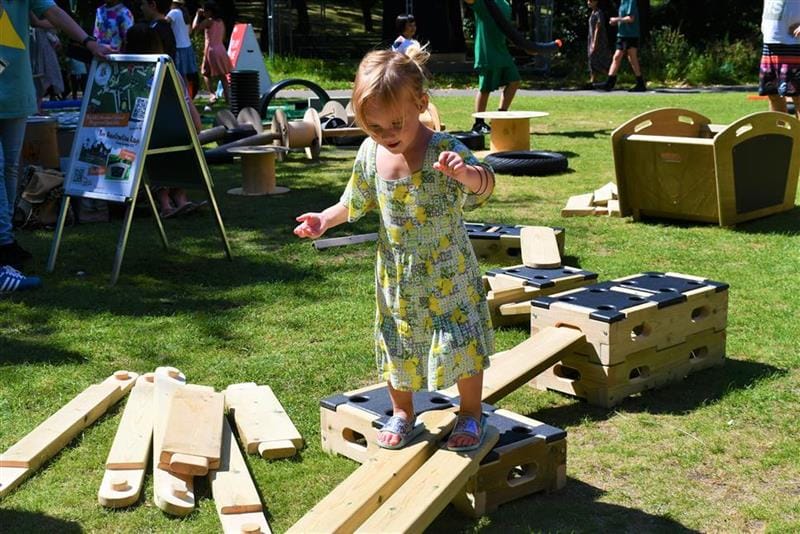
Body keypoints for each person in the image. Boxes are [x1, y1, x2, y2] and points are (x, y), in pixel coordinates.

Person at [293, 47, 496, 451]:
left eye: (395, 124)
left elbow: (486, 186)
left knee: (461, 343)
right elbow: (353, 200)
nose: (387, 135)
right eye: (374, 127)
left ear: (420, 104)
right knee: (397, 343)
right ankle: (403, 411)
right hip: (398, 278)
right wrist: (324, 220)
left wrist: (467, 174)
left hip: (448, 272)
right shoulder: (371, 154)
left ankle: (470, 412)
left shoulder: (444, 149)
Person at [0, 0, 109, 286]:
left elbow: (53, 12)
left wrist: (88, 42)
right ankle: (3, 244)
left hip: (16, 94)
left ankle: (7, 237)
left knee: (11, 168)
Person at [123, 22, 205, 219]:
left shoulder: (125, 77)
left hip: (143, 140)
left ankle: (166, 202)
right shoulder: (171, 72)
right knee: (178, 146)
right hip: (177, 136)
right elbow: (192, 115)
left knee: (153, 148)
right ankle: (180, 198)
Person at [464, 0, 521, 135]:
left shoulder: (506, 3)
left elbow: (507, 29)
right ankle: (478, 123)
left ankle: (500, 116)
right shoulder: (483, 2)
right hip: (487, 51)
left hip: (502, 50)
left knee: (514, 81)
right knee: (485, 88)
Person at [759, 0, 800, 118]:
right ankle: (780, 135)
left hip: (794, 45)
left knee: (797, 96)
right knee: (773, 94)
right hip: (770, 44)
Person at [598, 0, 646, 92]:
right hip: (622, 34)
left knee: (629, 58)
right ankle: (610, 82)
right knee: (620, 57)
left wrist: (617, 19)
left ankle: (639, 83)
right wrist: (617, 22)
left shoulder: (631, 1)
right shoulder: (622, 2)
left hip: (630, 35)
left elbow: (631, 18)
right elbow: (624, 18)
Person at [192, 1, 232, 104]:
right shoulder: (220, 22)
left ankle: (212, 94)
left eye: (205, 11)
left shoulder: (209, 21)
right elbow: (222, 37)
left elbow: (195, 28)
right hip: (221, 48)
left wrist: (197, 15)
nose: (203, 13)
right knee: (222, 75)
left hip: (211, 50)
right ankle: (228, 98)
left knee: (205, 73)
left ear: (210, 12)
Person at [166, 0, 199, 99]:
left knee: (178, 75)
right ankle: (187, 97)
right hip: (187, 46)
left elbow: (163, 23)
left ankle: (182, 97)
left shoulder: (173, 12)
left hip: (178, 47)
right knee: (184, 76)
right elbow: (189, 32)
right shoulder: (184, 14)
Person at [586, 0, 613, 87]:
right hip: (591, 39)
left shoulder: (598, 13)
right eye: (588, 1)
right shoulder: (592, 13)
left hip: (599, 41)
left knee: (597, 59)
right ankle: (593, 79)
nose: (588, 2)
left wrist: (594, 42)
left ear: (596, 2)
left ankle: (610, 76)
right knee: (591, 59)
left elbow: (598, 28)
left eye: (591, 1)